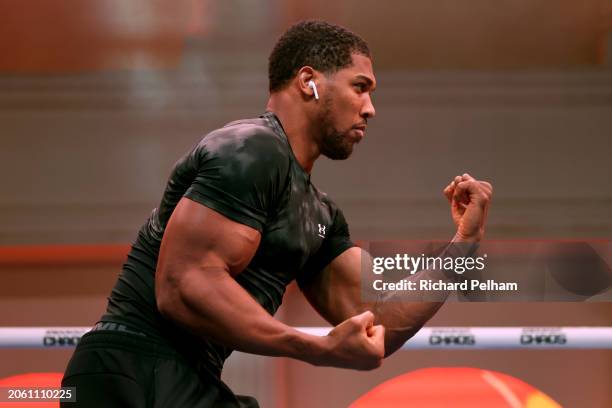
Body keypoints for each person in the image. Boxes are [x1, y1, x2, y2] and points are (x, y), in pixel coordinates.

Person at [61, 20, 493, 407]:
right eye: (360, 87)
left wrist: (463, 246)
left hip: (187, 377)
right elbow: (182, 284)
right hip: (131, 369)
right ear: (310, 82)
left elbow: (378, 322)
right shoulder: (252, 149)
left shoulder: (318, 213)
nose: (370, 108)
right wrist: (312, 348)